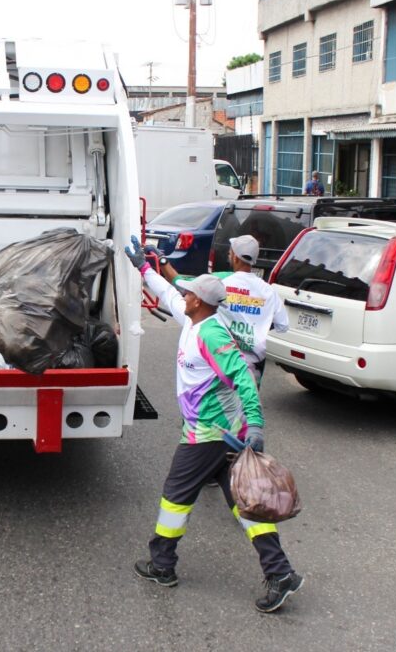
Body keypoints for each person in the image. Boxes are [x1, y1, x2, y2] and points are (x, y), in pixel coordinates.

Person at [124, 236, 303, 613]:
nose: (182, 295)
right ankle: (280, 572)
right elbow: (167, 288)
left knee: (175, 494)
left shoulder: (212, 333)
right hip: (221, 432)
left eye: (189, 293)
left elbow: (241, 375)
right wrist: (143, 267)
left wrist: (255, 422)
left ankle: (162, 563)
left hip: (211, 432)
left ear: (200, 302)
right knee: (244, 502)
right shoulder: (192, 317)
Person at [217, 235, 289, 388]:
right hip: (254, 364)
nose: (229, 255)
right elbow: (282, 325)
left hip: (223, 359)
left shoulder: (222, 285)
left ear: (235, 258)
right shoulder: (268, 291)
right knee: (248, 408)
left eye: (230, 253)